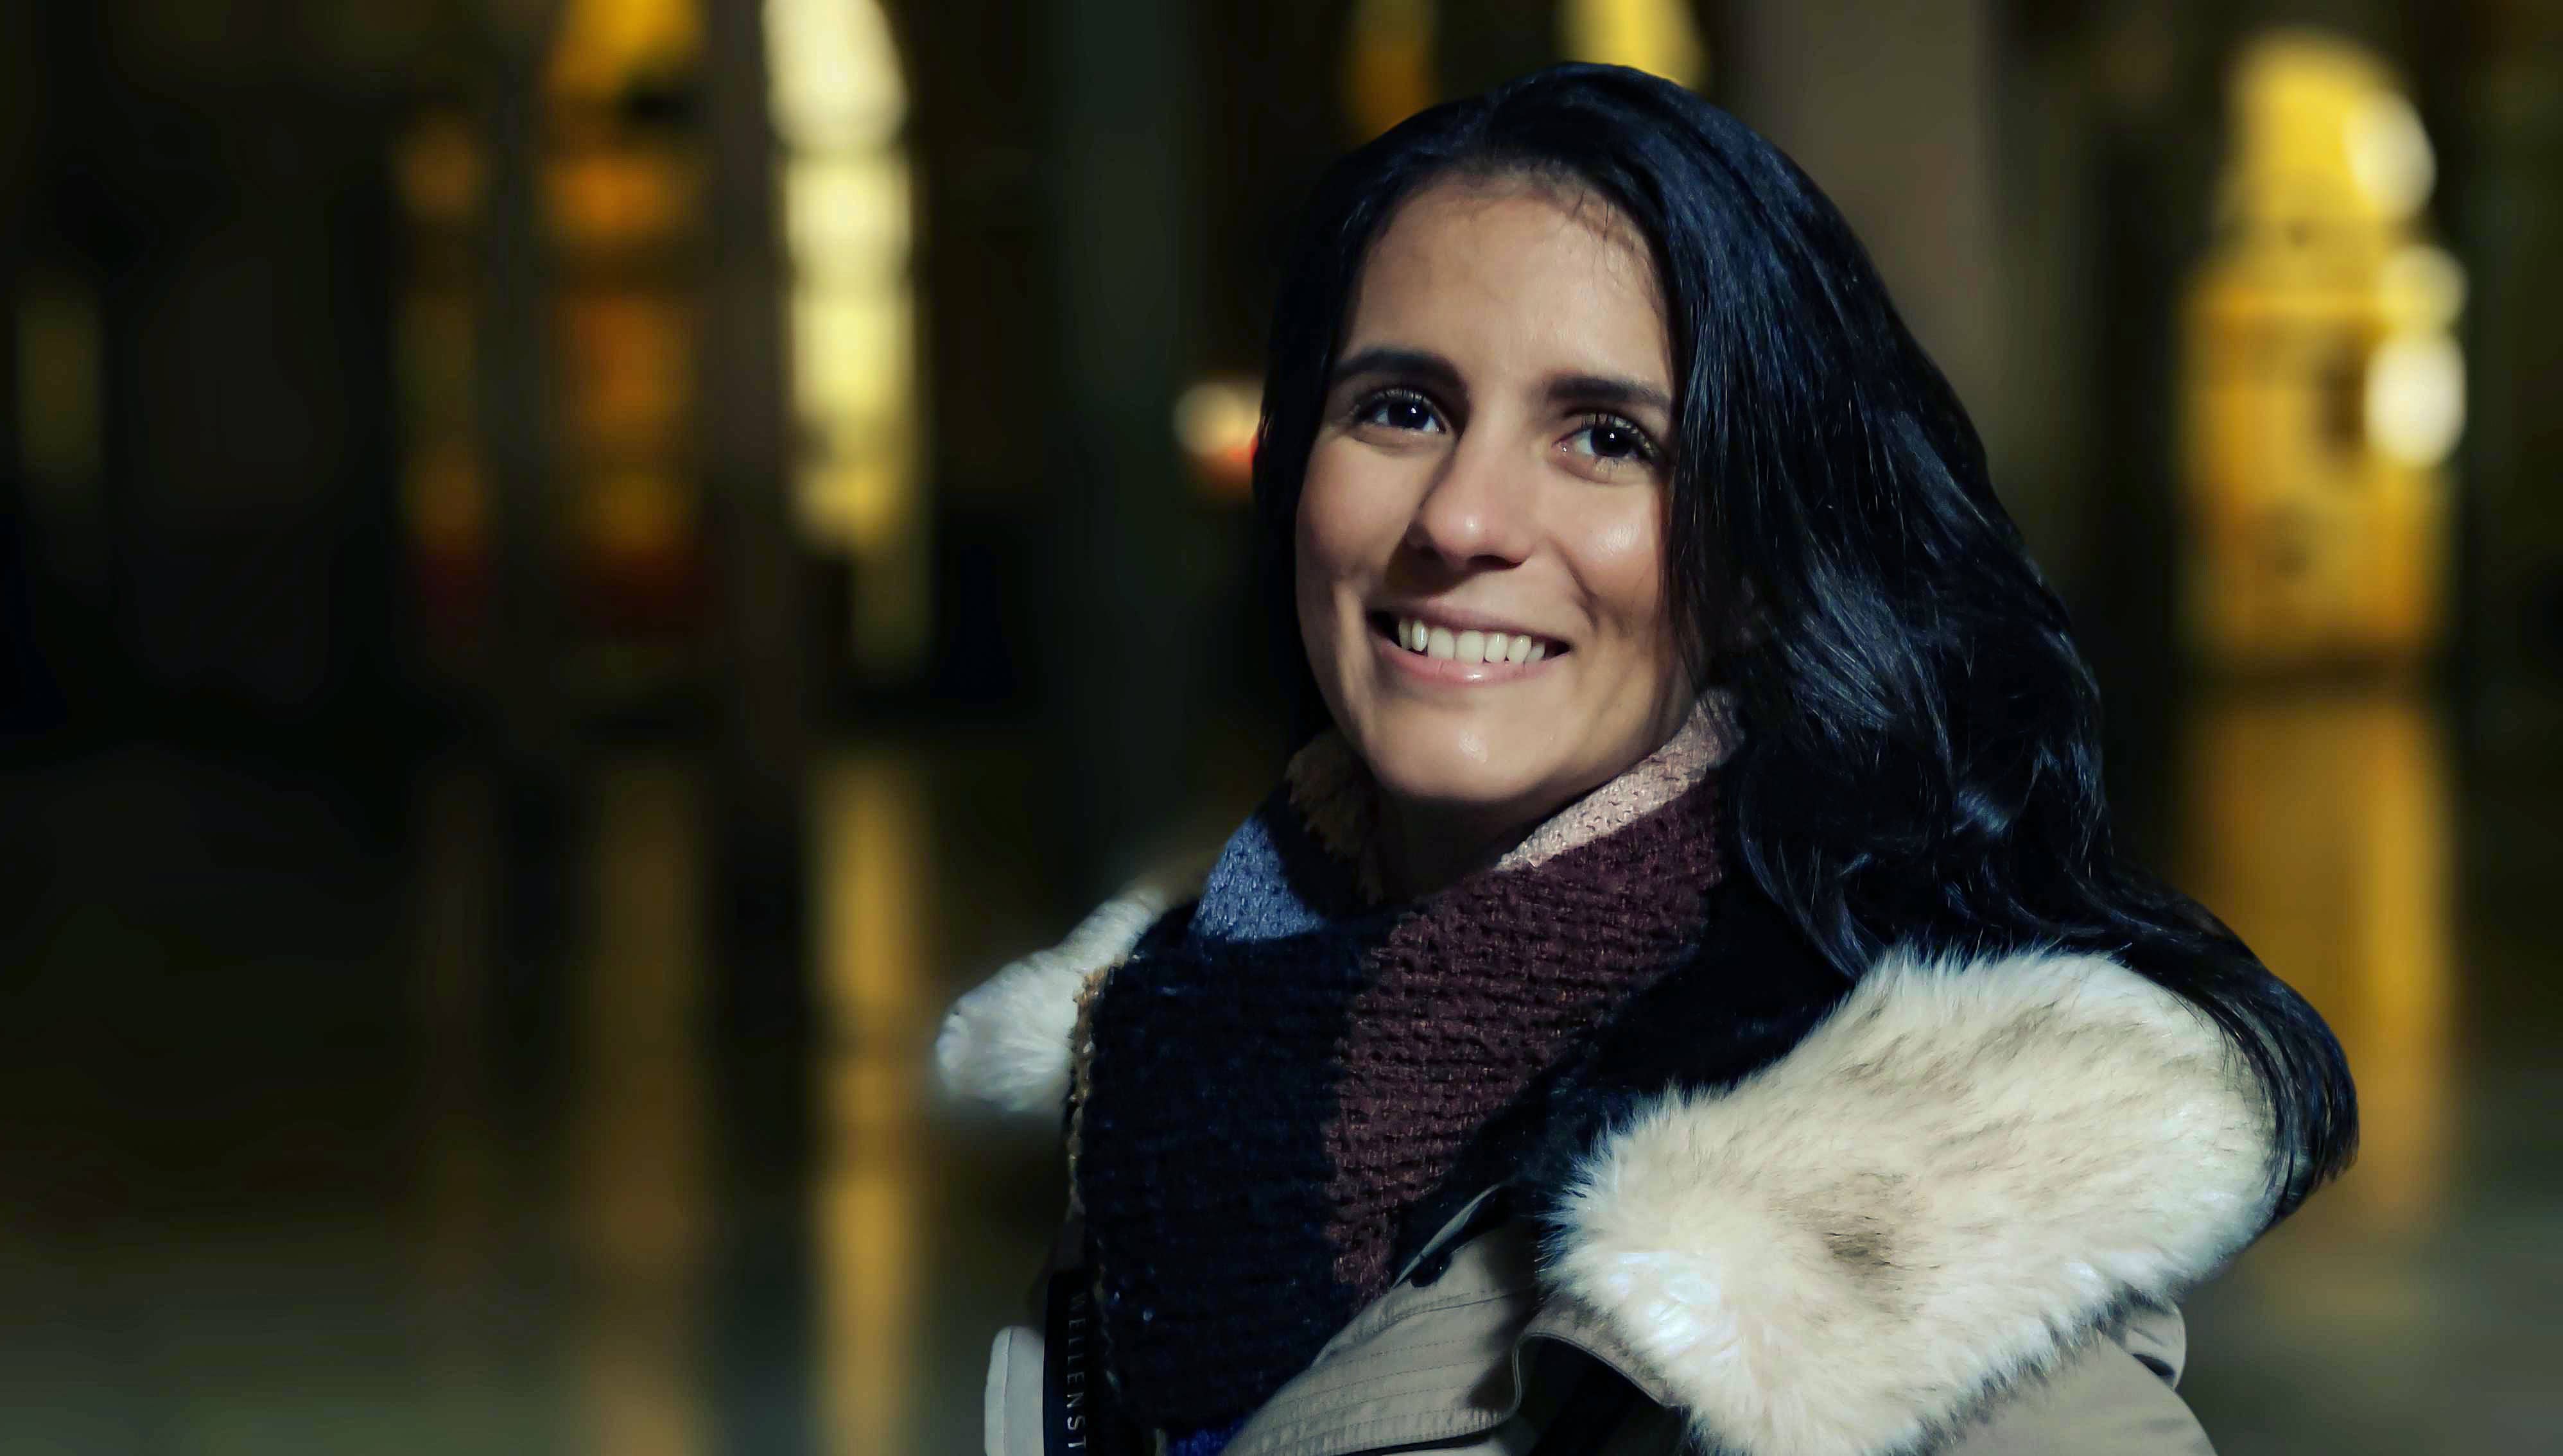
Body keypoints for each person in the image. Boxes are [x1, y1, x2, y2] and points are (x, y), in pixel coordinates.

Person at [936, 63, 2354, 1456]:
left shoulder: (1887, 1284)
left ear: (1755, 563)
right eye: (1404, 408)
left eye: (1607, 438)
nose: (1465, 519)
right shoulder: (1179, 1053)